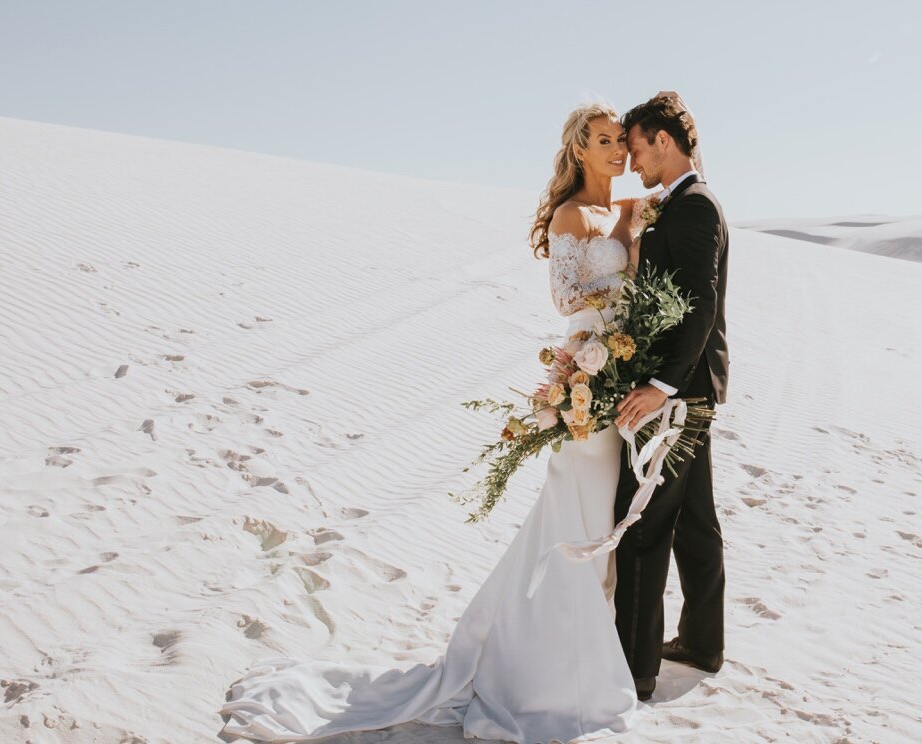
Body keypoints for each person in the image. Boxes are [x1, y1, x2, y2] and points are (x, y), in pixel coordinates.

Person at [221, 103, 648, 743]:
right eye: (605, 141)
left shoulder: (629, 210)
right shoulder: (570, 215)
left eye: (621, 140)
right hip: (583, 370)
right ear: (580, 151)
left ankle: (580, 647)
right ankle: (547, 662)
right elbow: (563, 298)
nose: (617, 150)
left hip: (620, 373)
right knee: (576, 506)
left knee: (602, 513)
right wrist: (606, 312)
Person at [611, 92, 729, 702]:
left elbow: (702, 307)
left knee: (643, 524)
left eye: (635, 148)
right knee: (695, 522)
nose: (632, 162)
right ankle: (703, 642)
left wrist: (659, 388)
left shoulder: (695, 207)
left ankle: (634, 671)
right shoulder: (680, 205)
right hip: (689, 391)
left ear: (662, 140)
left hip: (677, 398)